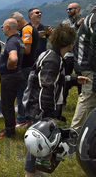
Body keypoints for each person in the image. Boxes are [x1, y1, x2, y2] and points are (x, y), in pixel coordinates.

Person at [22, 24, 90, 177]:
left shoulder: (49, 55)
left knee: (40, 141)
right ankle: (31, 174)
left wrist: (73, 79)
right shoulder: (54, 60)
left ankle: (36, 171)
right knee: (39, 140)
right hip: (40, 107)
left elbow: (53, 80)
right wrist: (48, 115)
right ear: (70, 44)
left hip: (35, 104)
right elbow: (47, 87)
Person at [0, 18, 25, 138]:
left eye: (3, 27)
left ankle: (9, 131)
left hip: (9, 76)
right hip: (16, 75)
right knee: (10, 104)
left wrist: (9, 66)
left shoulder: (12, 42)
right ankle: (10, 127)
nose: (2, 29)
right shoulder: (19, 39)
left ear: (8, 27)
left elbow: (13, 58)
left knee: (6, 105)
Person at [11, 12, 39, 128]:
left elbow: (27, 50)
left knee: (22, 93)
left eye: (14, 24)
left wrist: (14, 50)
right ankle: (29, 117)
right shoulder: (30, 28)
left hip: (25, 66)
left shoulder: (26, 30)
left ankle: (22, 119)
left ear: (18, 22)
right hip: (30, 65)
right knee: (28, 92)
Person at [71, 5, 96, 132]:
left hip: (88, 63)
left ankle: (89, 129)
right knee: (88, 96)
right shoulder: (94, 19)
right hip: (88, 65)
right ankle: (75, 131)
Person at [61, 2, 84, 111]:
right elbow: (66, 35)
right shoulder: (65, 22)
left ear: (77, 9)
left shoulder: (85, 21)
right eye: (67, 9)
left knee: (81, 77)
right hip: (69, 54)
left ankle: (81, 101)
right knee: (65, 77)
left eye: (70, 9)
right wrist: (77, 25)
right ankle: (62, 102)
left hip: (81, 54)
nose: (68, 11)